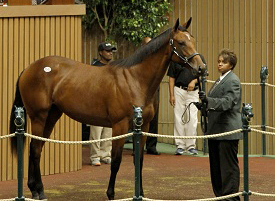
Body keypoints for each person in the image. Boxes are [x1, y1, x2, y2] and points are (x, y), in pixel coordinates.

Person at [199, 49, 242, 200]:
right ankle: (220, 196)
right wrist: (204, 105)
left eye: (223, 62)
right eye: (218, 61)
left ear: (231, 65)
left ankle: (231, 198)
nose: (219, 64)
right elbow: (218, 102)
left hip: (227, 131)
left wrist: (209, 101)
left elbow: (228, 103)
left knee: (228, 168)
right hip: (216, 130)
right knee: (216, 168)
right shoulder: (220, 80)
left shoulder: (233, 80)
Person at [89, 42, 117, 166]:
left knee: (108, 132)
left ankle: (106, 155)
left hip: (110, 103)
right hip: (96, 104)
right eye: (107, 50)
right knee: (96, 132)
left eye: (111, 50)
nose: (110, 53)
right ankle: (95, 156)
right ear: (100, 52)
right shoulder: (94, 66)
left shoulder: (113, 67)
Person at [167, 62, 199, 155]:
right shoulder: (176, 60)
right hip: (179, 89)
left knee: (192, 119)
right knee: (178, 117)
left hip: (193, 91)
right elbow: (171, 78)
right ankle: (180, 145)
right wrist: (172, 95)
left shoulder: (198, 58)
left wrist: (194, 81)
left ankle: (191, 146)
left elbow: (202, 75)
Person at [141, 37, 161, 155]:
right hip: (141, 90)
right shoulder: (139, 58)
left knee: (154, 117)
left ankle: (151, 146)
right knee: (139, 118)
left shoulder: (156, 57)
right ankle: (138, 147)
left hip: (154, 88)